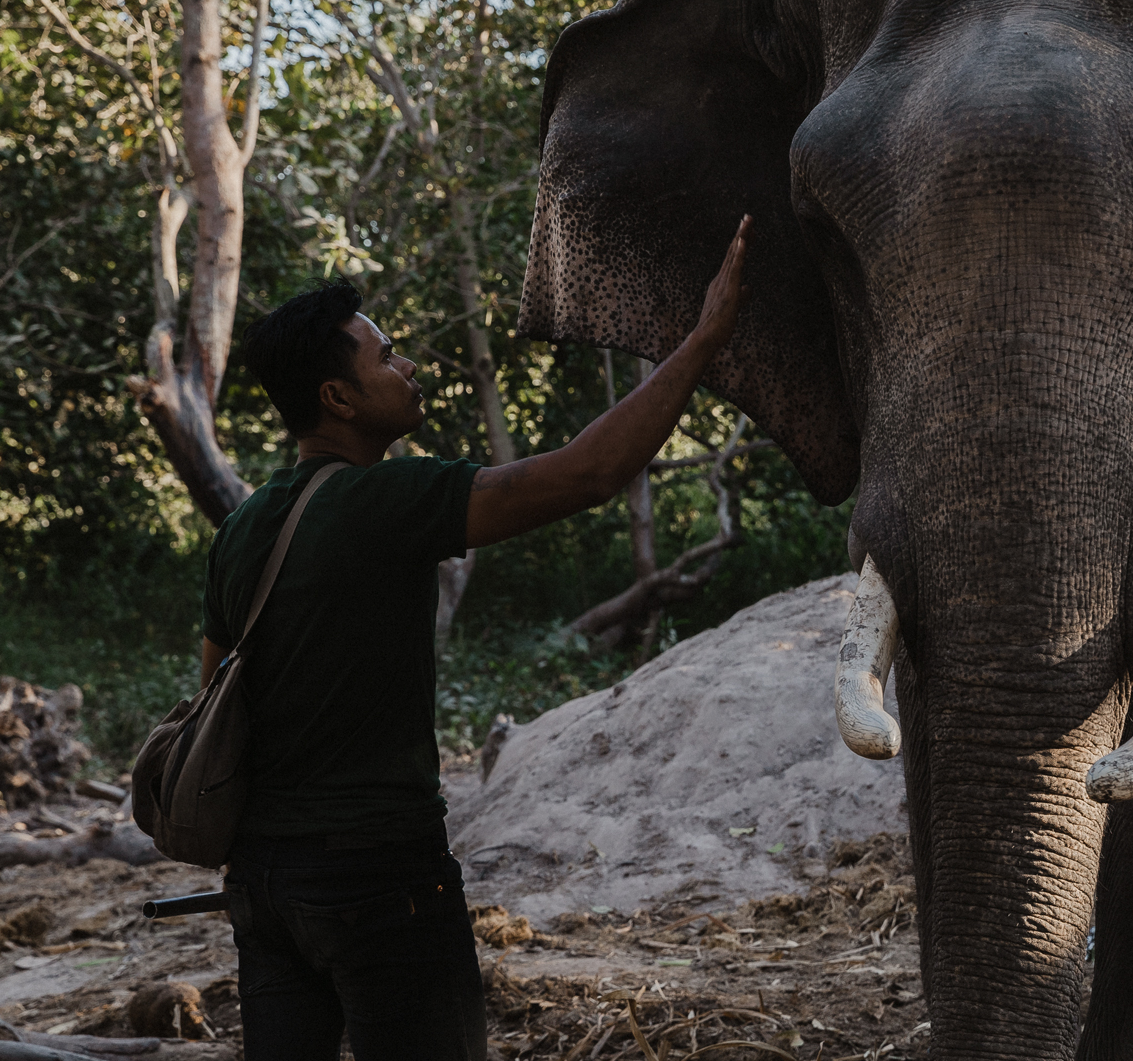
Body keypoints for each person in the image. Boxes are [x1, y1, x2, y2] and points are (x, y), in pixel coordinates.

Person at [203, 217, 752, 1061]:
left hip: (264, 887)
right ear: (337, 399)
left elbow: (213, 692)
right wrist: (706, 337)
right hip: (379, 876)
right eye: (385, 357)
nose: (409, 365)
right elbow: (589, 472)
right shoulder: (385, 501)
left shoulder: (242, 528)